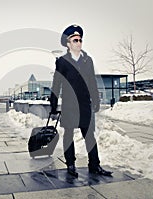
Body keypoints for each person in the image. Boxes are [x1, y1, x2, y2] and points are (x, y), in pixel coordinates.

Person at [50, 24, 112, 177]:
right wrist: (53, 104)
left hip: (85, 104)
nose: (79, 43)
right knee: (69, 134)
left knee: (89, 135)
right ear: (68, 43)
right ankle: (70, 164)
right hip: (69, 105)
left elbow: (92, 81)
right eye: (75, 40)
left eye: (80, 40)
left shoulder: (88, 60)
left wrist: (96, 99)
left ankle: (94, 165)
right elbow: (56, 84)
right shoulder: (62, 62)